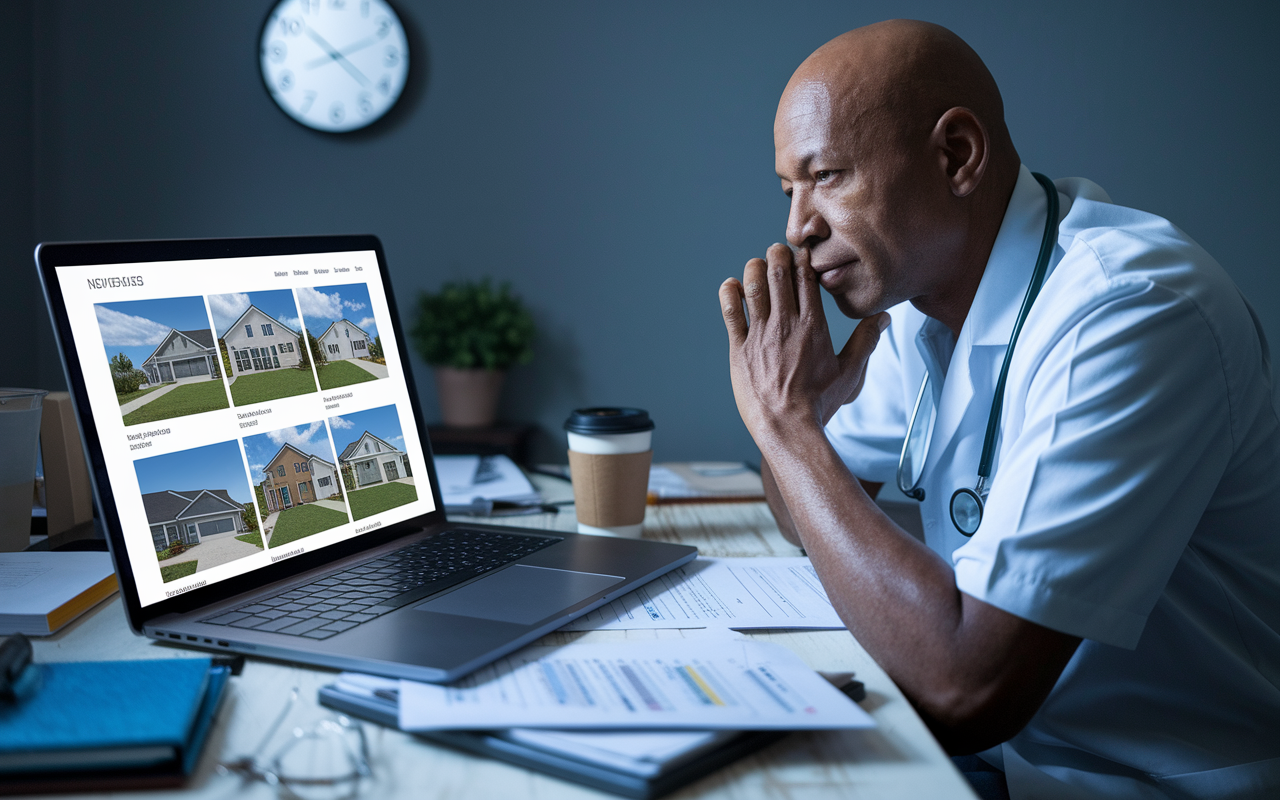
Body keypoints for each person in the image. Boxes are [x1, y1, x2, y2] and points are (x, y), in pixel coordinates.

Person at [719, 19, 1280, 800]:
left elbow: (965, 692)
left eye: (829, 177)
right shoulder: (921, 303)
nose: (797, 229)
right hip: (1004, 765)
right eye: (789, 190)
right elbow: (802, 510)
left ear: (957, 156)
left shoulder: (1132, 311)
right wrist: (801, 423)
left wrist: (783, 428)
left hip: (1145, 784)